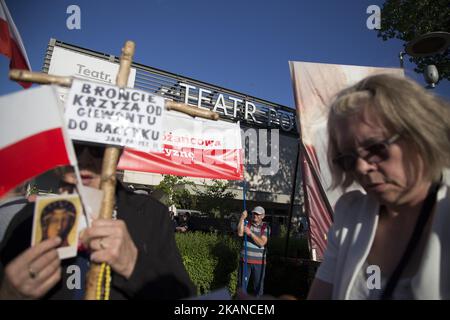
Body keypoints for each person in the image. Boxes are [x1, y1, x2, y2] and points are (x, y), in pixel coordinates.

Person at [307, 74, 450, 300]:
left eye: (375, 148)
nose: (361, 167)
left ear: (420, 133)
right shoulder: (350, 215)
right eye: (349, 158)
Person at [0, 143, 196, 299]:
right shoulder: (28, 218)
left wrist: (133, 266)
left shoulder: (150, 214)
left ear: (117, 152)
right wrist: (9, 293)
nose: (84, 159)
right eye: (74, 146)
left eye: (97, 149)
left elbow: (187, 301)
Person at [237, 206, 270, 297]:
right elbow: (240, 233)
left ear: (262, 216)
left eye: (257, 214)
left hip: (259, 262)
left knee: (258, 289)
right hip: (245, 260)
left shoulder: (265, 227)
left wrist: (250, 234)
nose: (255, 215)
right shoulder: (247, 224)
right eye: (254, 213)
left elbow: (262, 243)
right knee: (241, 288)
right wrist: (242, 218)